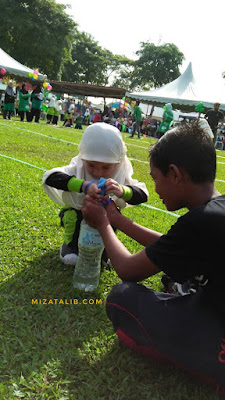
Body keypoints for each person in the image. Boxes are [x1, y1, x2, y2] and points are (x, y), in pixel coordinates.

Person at [82, 121, 225, 392]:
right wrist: (117, 219)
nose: (155, 188)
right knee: (175, 271)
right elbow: (170, 246)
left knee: (123, 298)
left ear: (174, 174)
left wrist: (103, 224)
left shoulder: (200, 222)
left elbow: (127, 269)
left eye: (155, 177)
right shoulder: (216, 209)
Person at [42, 123, 149, 265]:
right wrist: (83, 185)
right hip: (79, 214)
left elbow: (142, 194)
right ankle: (71, 246)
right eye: (91, 165)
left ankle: (103, 252)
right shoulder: (78, 169)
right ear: (83, 159)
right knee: (75, 218)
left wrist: (122, 190)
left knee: (111, 221)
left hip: (106, 217)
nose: (98, 173)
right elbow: (51, 177)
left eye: (106, 167)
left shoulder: (120, 173)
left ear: (118, 163)